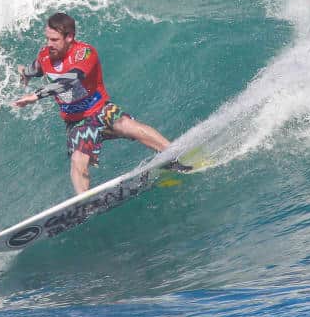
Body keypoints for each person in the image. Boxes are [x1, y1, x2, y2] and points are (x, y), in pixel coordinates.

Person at [12, 12, 186, 194]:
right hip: (77, 121)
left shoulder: (85, 53)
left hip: (100, 111)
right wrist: (24, 73)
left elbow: (71, 79)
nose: (49, 44)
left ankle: (175, 156)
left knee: (129, 126)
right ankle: (84, 203)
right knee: (78, 160)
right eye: (47, 39)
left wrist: (36, 95)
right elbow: (36, 68)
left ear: (69, 37)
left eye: (54, 40)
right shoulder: (46, 55)